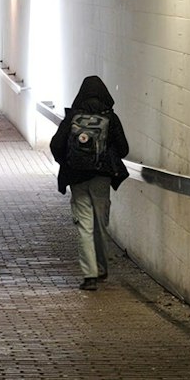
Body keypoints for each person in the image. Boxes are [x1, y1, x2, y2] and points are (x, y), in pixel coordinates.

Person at [49, 75, 129, 290]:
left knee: (84, 225)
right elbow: (124, 150)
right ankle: (102, 269)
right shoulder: (110, 118)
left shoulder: (73, 117)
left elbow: (56, 144)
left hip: (76, 177)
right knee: (100, 224)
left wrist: (69, 162)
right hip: (101, 177)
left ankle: (89, 275)